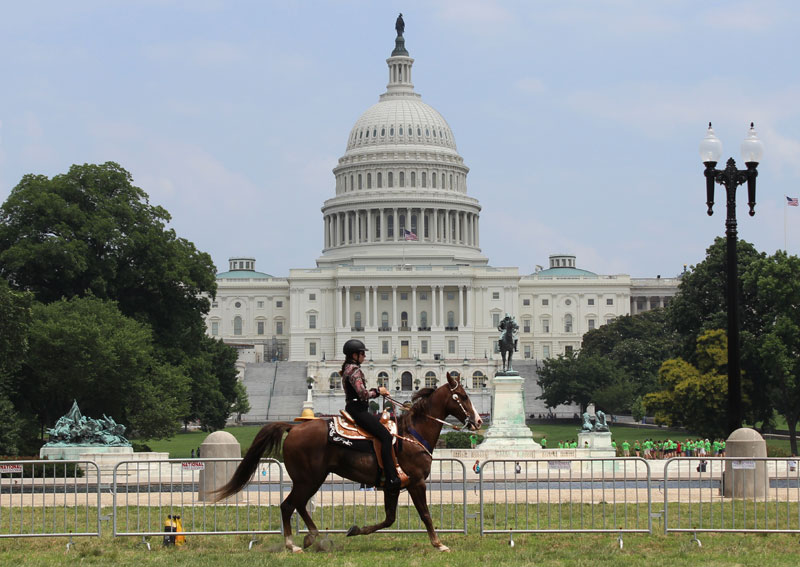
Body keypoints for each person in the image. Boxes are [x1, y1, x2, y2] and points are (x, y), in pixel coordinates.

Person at [341, 338, 401, 492]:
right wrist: (377, 391)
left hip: (354, 407)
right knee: (386, 437)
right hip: (358, 410)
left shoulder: (347, 368)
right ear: (354, 355)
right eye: (362, 354)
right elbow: (362, 393)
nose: (364, 357)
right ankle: (391, 477)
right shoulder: (354, 370)